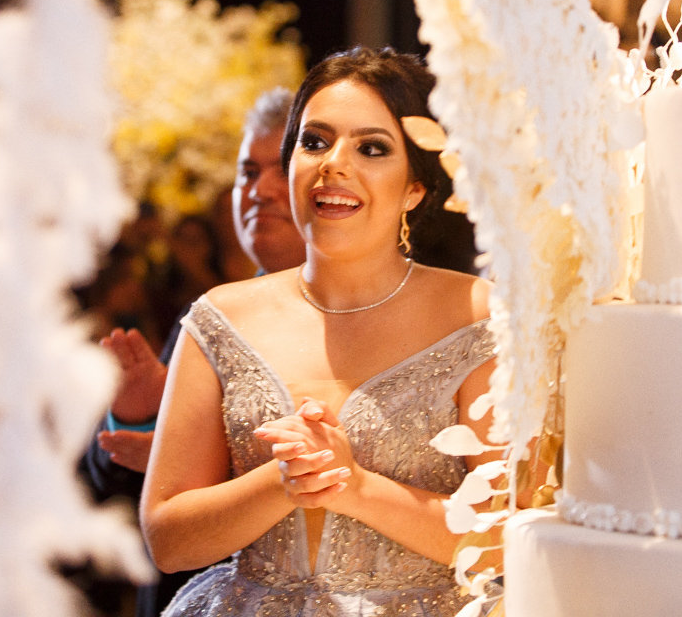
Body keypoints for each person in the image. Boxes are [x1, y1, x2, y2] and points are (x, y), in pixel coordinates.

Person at [140, 47, 500, 616]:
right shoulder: (221, 318)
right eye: (314, 142)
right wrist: (281, 482)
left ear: (416, 187)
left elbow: (507, 538)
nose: (334, 164)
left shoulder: (478, 317)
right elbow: (168, 539)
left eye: (372, 148)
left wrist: (355, 487)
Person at [80, 87, 306, 616]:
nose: (259, 191)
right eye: (247, 172)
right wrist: (137, 418)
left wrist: (205, 466)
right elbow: (100, 488)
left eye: (281, 169)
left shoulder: (377, 319)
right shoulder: (205, 318)